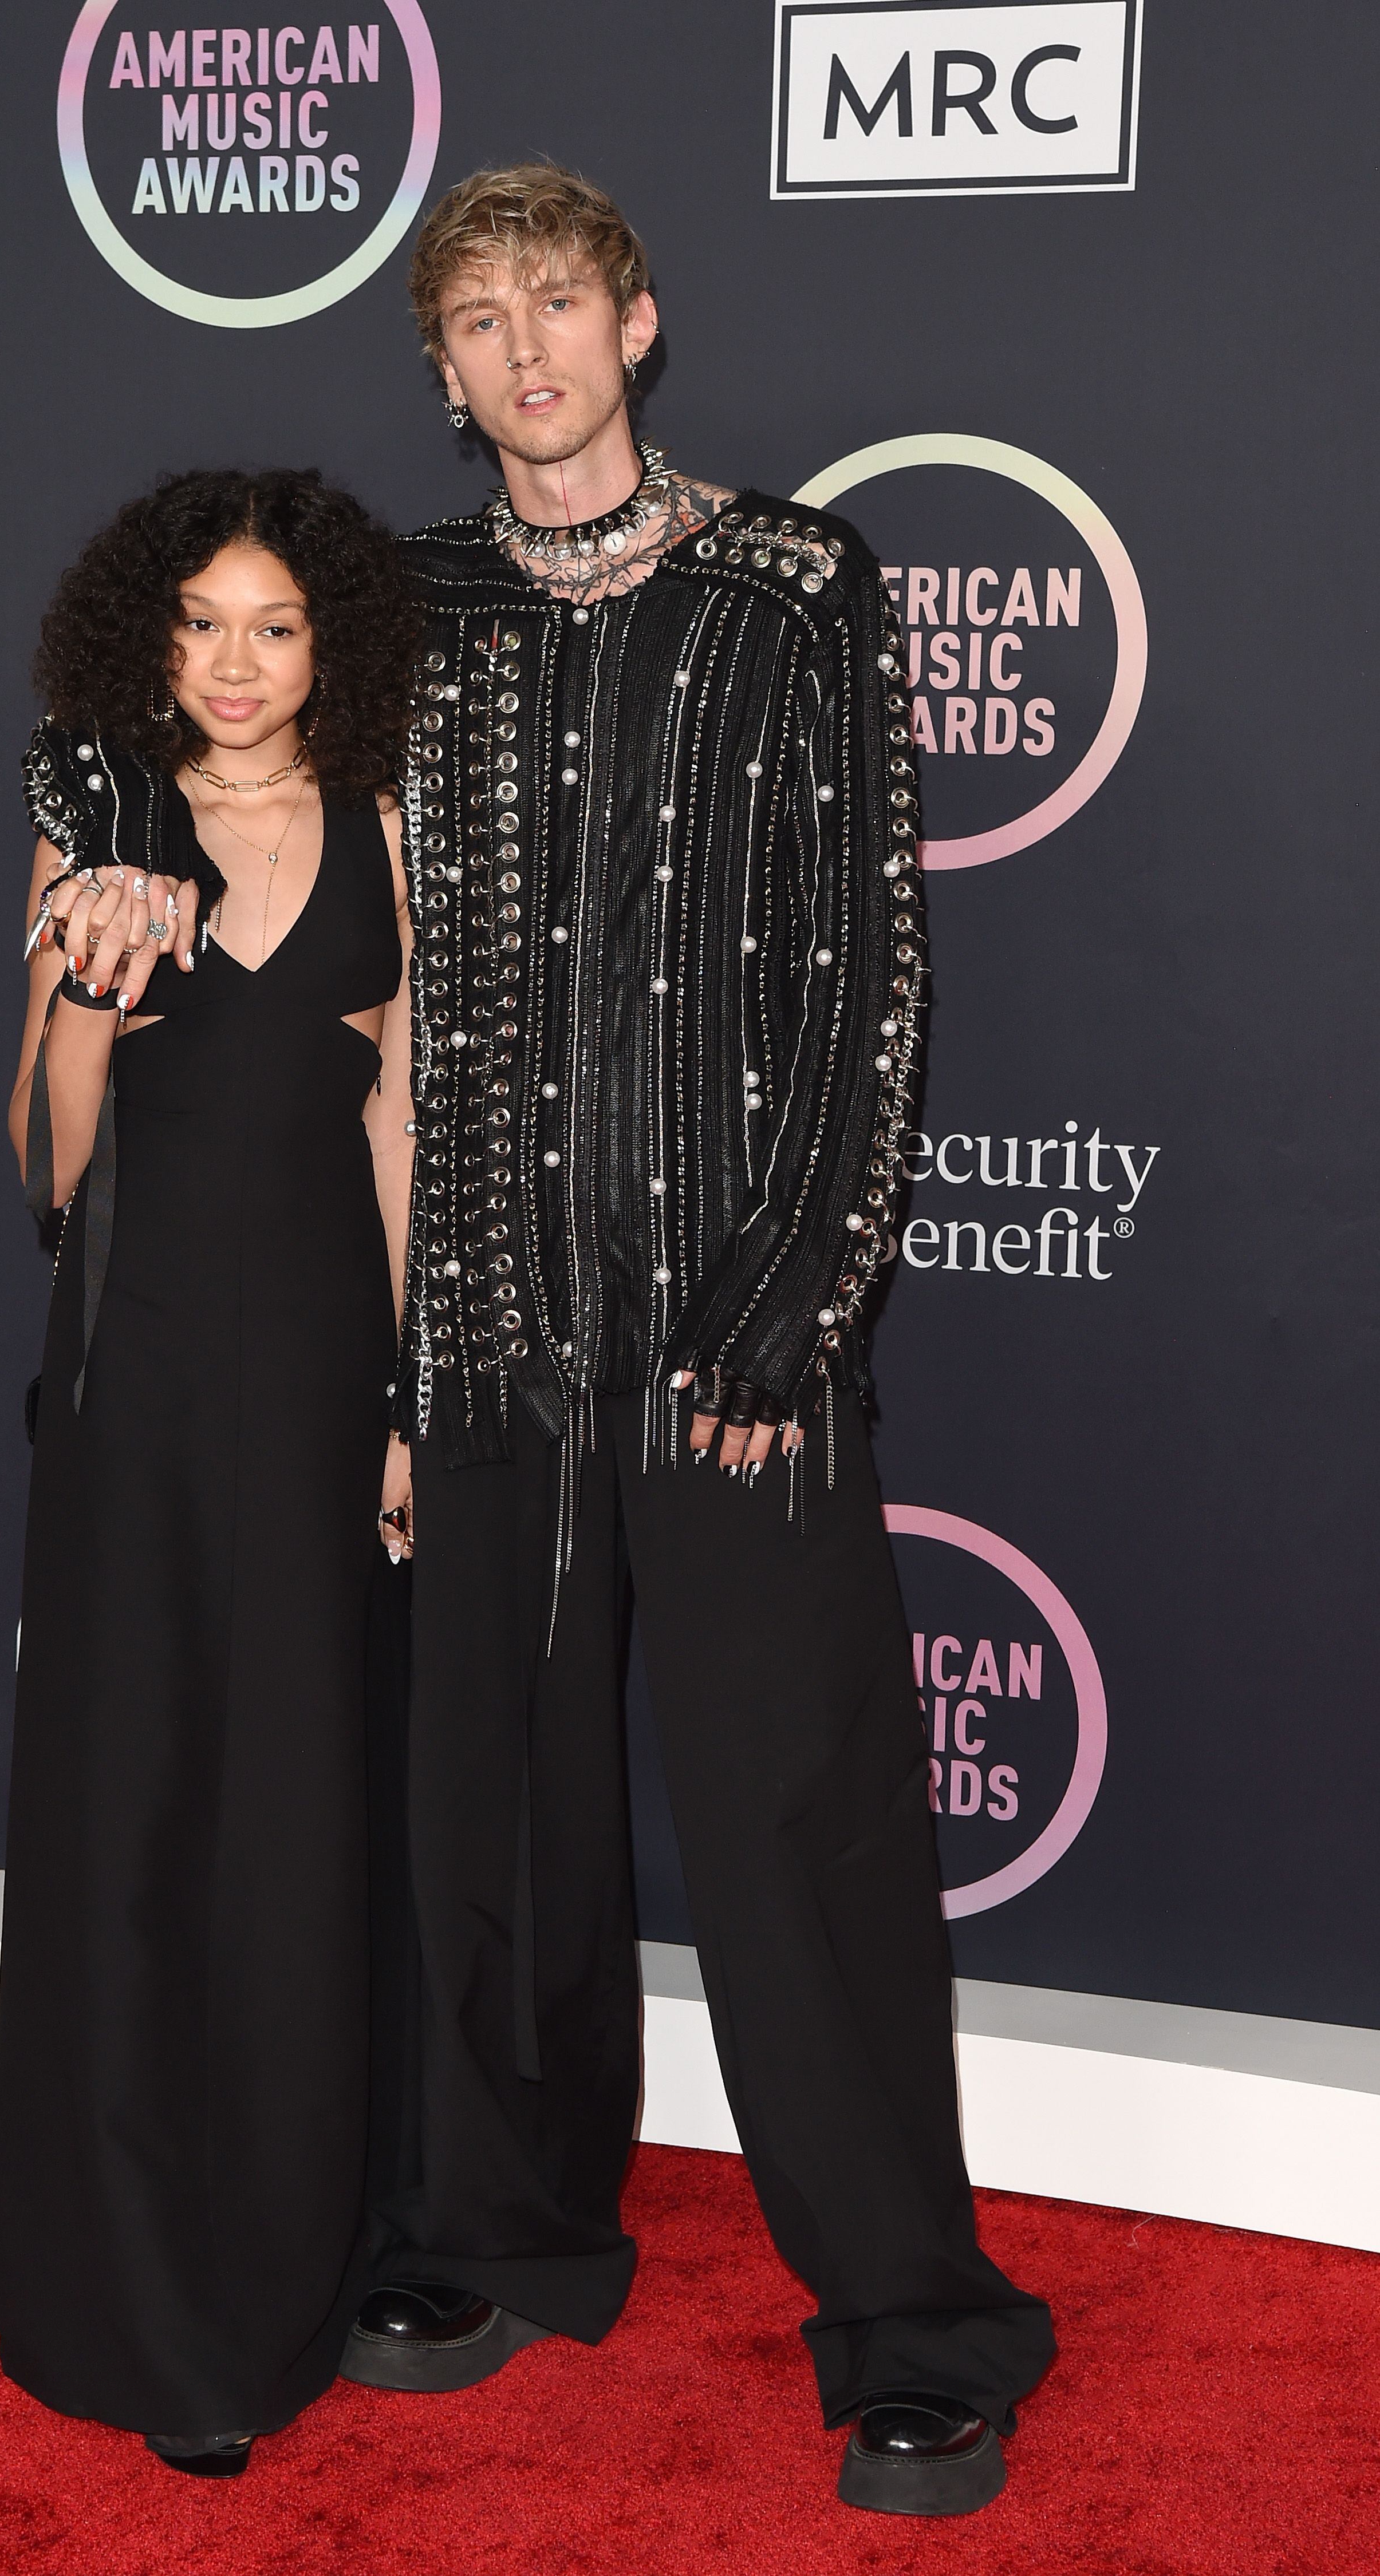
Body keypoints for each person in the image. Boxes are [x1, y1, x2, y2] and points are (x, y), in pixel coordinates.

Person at [338, 165, 1055, 2519]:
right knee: (484, 1824)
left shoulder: (796, 586)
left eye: (559, 301)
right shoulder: (403, 605)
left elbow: (867, 970)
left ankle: (912, 2324)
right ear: (437, 370)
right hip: (485, 1332)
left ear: (636, 325)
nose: (525, 348)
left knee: (801, 1832)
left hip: (732, 1338)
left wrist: (797, 1293)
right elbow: (245, 815)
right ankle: (493, 2226)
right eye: (478, 318)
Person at [0, 468, 420, 2479]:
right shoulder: (101, 829)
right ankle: (126, 2288)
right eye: (199, 628)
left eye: (273, 627)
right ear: (144, 646)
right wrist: (86, 992)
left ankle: (280, 2268)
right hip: (136, 1383)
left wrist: (409, 1395)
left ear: (328, 644)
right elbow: (45, 1167)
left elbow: (399, 1117)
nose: (234, 668)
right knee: (133, 1802)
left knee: (300, 1815)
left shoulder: (384, 834)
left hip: (325, 1376)